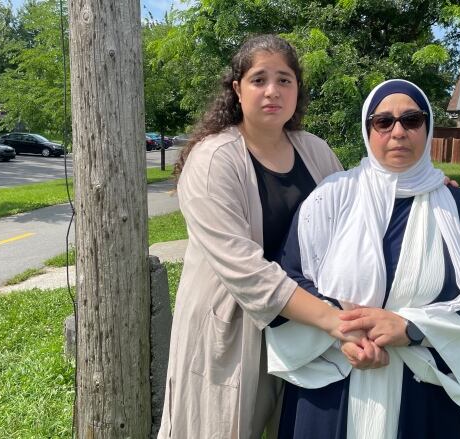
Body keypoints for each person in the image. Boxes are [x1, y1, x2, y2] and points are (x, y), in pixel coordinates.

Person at [157, 34, 388, 439]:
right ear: (237, 89)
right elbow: (246, 270)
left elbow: (361, 213)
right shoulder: (214, 159)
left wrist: (427, 192)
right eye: (259, 79)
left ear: (298, 90)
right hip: (231, 331)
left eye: (284, 80)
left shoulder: (314, 151)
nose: (272, 91)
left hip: (304, 328)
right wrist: (335, 321)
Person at [265, 79, 460, 439]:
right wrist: (346, 333)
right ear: (368, 130)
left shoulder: (459, 209)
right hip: (335, 379)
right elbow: (291, 278)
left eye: (411, 120)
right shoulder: (329, 198)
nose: (398, 132)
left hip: (424, 393)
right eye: (384, 122)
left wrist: (412, 329)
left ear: (427, 129)